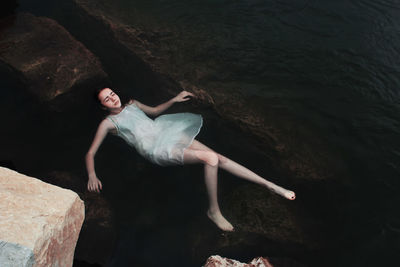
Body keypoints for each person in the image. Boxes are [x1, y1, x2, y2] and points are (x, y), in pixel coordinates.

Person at [86, 87, 296, 232]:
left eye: (112, 93)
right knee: (210, 158)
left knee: (220, 158)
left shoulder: (133, 104)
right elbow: (91, 153)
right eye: (107, 99)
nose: (113, 98)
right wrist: (92, 174)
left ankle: (270, 185)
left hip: (167, 131)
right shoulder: (108, 123)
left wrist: (175, 99)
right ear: (103, 106)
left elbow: (156, 111)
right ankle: (213, 211)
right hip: (155, 149)